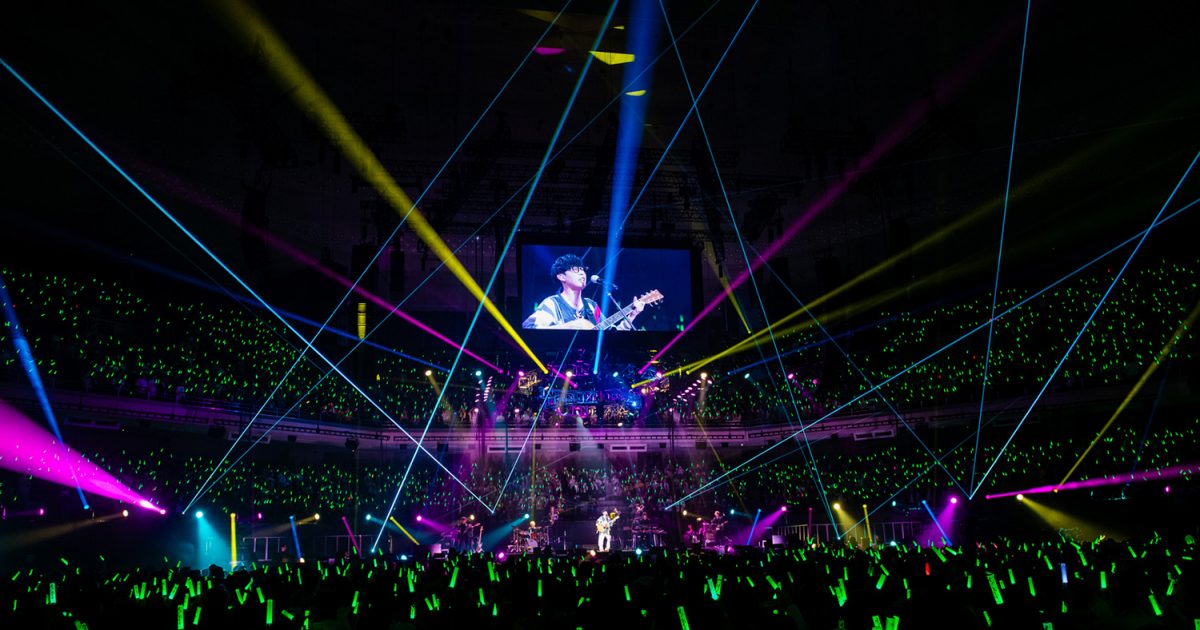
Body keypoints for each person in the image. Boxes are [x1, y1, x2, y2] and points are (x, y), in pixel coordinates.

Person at [523, 254, 643, 330]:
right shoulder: (552, 303)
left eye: (582, 269)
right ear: (561, 276)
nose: (582, 273)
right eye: (575, 269)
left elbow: (611, 334)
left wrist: (632, 316)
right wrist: (571, 326)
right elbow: (529, 327)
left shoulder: (591, 305)